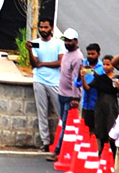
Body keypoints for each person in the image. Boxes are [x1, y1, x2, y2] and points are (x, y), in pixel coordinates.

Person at [29, 18, 66, 151]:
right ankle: (45, 142)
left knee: (61, 112)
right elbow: (34, 64)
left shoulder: (58, 44)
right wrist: (29, 51)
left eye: (46, 27)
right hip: (39, 80)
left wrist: (42, 64)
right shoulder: (35, 44)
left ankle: (63, 140)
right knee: (42, 112)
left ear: (51, 28)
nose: (43, 30)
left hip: (55, 82)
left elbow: (60, 62)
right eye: (41, 27)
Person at [49, 28, 84, 160]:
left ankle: (59, 151)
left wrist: (75, 98)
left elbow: (76, 79)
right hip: (62, 93)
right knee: (62, 122)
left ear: (76, 41)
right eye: (66, 40)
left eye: (70, 41)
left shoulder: (78, 57)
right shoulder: (67, 54)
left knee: (66, 125)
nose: (68, 43)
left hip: (70, 96)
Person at [87, 54, 119, 150]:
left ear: (113, 66)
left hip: (112, 107)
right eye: (104, 64)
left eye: (108, 64)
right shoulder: (100, 79)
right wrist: (83, 77)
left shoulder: (118, 79)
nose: (105, 67)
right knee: (101, 131)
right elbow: (88, 88)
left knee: (111, 130)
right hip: (100, 107)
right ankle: (102, 152)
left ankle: (113, 153)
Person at [79, 43, 101, 135]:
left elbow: (102, 81)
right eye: (88, 54)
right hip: (85, 105)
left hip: (97, 105)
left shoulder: (102, 67)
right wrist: (80, 74)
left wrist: (93, 72)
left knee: (96, 131)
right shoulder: (83, 64)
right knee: (85, 131)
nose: (90, 56)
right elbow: (77, 83)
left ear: (98, 54)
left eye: (93, 54)